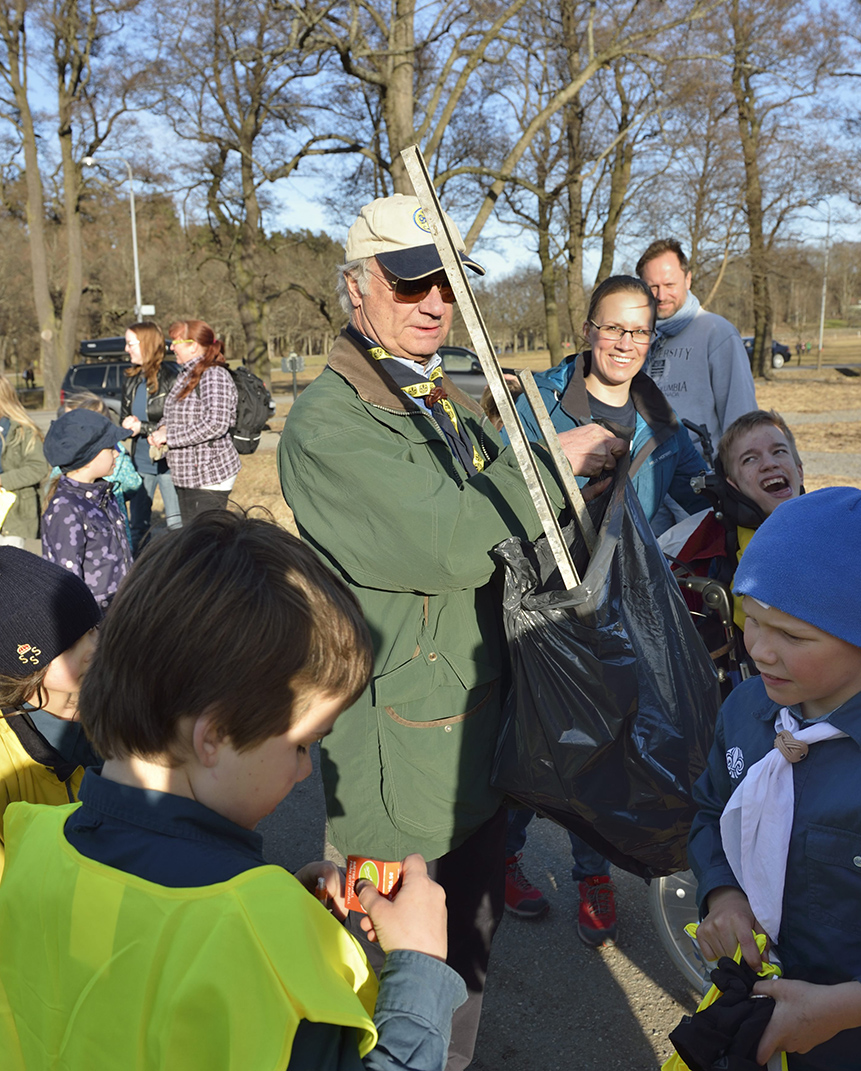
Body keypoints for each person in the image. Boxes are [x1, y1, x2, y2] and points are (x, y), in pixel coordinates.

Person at [277, 193, 623, 1069]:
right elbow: (452, 539)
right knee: (395, 978)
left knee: (469, 947)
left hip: (476, 736)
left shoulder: (440, 393)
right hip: (398, 770)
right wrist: (555, 459)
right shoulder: (329, 423)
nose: (434, 302)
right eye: (409, 284)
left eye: (447, 285)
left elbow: (495, 512)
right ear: (356, 290)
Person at [0, 513, 467, 1071]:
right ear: (215, 735)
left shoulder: (30, 840)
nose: (303, 773)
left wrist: (258, 896)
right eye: (302, 745)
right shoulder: (267, 940)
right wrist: (417, 966)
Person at [502, 275, 708, 946]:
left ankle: (593, 872)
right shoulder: (539, 402)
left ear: (652, 338)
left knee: (609, 743)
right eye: (612, 327)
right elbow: (500, 480)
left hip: (623, 608)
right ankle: (506, 853)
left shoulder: (664, 423)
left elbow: (693, 488)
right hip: (545, 600)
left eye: (638, 330)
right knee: (535, 735)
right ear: (587, 330)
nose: (625, 342)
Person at [687, 487, 861, 1069]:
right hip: (757, 1013)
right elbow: (710, 809)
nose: (759, 651)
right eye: (750, 620)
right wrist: (723, 892)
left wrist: (846, 1008)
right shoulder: (747, 710)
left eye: (792, 636)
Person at [637, 238, 757, 531]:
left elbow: (741, 417)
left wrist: (735, 484)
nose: (661, 295)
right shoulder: (640, 337)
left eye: (669, 284)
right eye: (652, 287)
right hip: (650, 482)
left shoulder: (717, 333)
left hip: (700, 484)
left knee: (702, 570)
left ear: (688, 279)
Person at [0, 546, 101, 877]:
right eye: (68, 645)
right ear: (22, 670)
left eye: (93, 630)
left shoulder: (128, 704)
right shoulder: (7, 759)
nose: (93, 650)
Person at [658, 409, 804, 636]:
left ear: (799, 471)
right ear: (733, 485)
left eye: (779, 451)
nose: (769, 464)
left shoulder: (836, 527)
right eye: (750, 459)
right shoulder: (720, 548)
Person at [42, 408, 133, 612]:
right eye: (111, 448)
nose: (117, 453)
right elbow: (67, 581)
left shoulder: (103, 494)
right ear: (90, 458)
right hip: (94, 619)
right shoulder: (65, 509)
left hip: (119, 608)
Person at [149, 319, 239, 522]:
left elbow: (216, 424)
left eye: (175, 342)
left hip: (209, 475)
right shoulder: (186, 374)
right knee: (194, 539)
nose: (170, 347)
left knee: (208, 542)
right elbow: (172, 413)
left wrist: (169, 436)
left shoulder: (214, 375)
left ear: (193, 345)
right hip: (186, 473)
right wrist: (161, 429)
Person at [120, 321, 182, 546]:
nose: (127, 349)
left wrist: (143, 427)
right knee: (137, 528)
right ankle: (137, 576)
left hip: (168, 465)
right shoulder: (130, 378)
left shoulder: (173, 377)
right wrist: (126, 424)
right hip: (140, 465)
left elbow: (177, 422)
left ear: (146, 344)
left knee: (176, 527)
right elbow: (125, 419)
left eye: (130, 344)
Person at [58, 393, 142, 534]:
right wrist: (119, 491)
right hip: (113, 530)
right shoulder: (117, 449)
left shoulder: (67, 454)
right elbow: (133, 483)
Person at [0, 374, 47, 548]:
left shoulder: (23, 430)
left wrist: (3, 480)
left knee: (7, 568)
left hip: (15, 514)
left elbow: (38, 467)